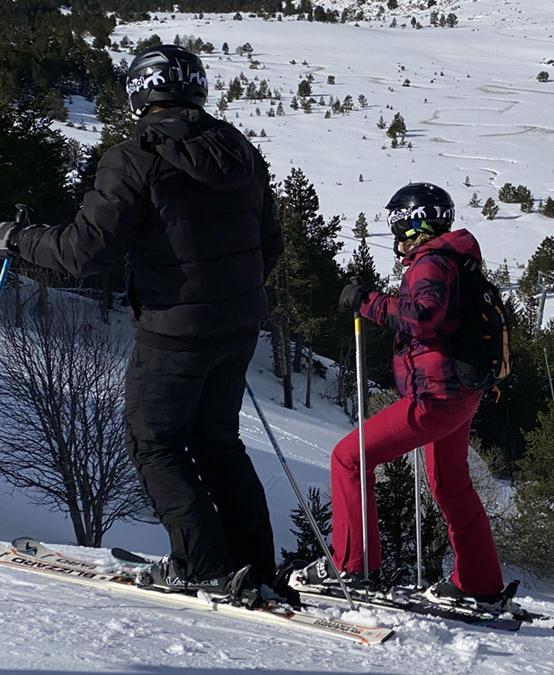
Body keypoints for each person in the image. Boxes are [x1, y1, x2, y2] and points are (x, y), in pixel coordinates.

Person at [0, 46, 280, 597]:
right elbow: (267, 244)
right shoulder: (239, 150)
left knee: (154, 443)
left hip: (174, 329)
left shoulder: (132, 159)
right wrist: (227, 293)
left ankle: (203, 565)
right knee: (218, 442)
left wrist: (16, 239)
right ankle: (252, 564)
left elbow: (85, 251)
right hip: (238, 324)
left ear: (140, 93)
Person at [294, 183, 507, 608]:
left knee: (349, 457)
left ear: (412, 222)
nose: (395, 235)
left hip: (436, 396)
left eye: (397, 223)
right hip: (461, 392)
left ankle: (353, 567)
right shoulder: (458, 260)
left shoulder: (430, 264)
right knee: (449, 483)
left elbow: (423, 318)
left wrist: (368, 302)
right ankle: (479, 581)